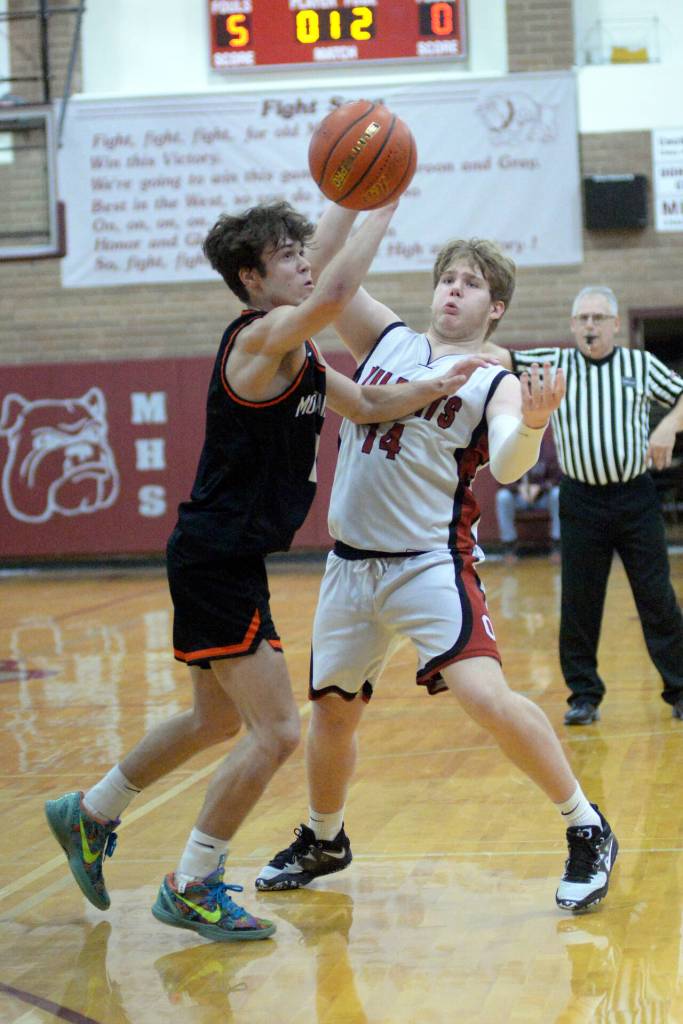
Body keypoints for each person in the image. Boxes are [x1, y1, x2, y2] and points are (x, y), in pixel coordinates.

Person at [44, 199, 482, 944]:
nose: (304, 263)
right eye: (286, 257)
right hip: (217, 560)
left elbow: (372, 403)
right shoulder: (260, 337)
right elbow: (335, 297)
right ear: (251, 278)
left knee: (216, 719)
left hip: (220, 556)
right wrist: (386, 199)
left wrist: (440, 383)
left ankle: (91, 811)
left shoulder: (302, 355)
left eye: (302, 251)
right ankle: (192, 881)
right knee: (277, 730)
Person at [256, 213, 618, 914]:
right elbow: (327, 269)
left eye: (471, 283)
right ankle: (324, 838)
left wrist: (537, 422)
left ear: (495, 307)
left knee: (484, 696)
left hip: (427, 561)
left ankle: (585, 824)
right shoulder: (386, 336)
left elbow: (509, 464)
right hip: (350, 563)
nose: (454, 291)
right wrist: (370, 201)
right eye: (447, 278)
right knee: (332, 713)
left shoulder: (496, 378)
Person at [487, 285, 683, 725]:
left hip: (635, 497)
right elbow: (498, 355)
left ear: (616, 324)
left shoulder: (640, 364)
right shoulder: (556, 363)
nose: (590, 326)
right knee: (579, 600)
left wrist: (669, 425)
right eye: (583, 319)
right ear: (573, 325)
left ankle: (680, 688)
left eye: (598, 318)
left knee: (656, 596)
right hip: (582, 500)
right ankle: (584, 696)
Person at [495, 429, 561, 564]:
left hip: (543, 498)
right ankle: (509, 547)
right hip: (519, 498)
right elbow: (501, 478)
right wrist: (519, 488)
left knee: (557, 494)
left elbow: (558, 478)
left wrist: (541, 487)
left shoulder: (548, 450)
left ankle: (558, 546)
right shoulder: (511, 450)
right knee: (503, 497)